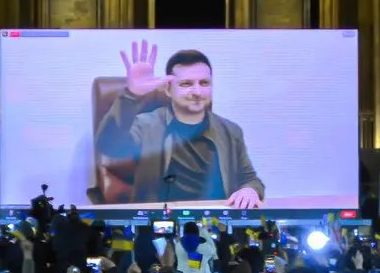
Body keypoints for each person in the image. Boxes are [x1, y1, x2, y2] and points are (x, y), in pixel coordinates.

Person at [95, 42, 264, 208]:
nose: (197, 92)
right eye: (186, 84)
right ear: (168, 89)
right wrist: (131, 95)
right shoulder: (146, 125)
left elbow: (249, 179)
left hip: (215, 221)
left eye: (204, 83)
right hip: (161, 222)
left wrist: (250, 190)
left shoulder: (230, 131)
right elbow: (109, 146)